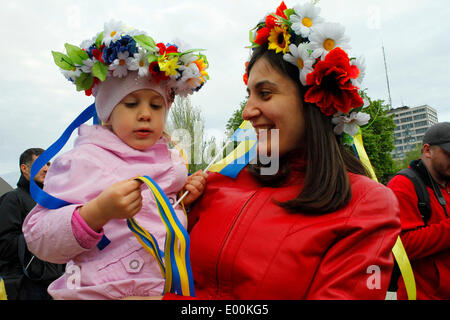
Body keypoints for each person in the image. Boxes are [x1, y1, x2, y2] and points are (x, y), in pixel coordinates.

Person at [160, 1, 401, 300]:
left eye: (265, 93)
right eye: (248, 95)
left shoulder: (366, 205)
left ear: (312, 98)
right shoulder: (216, 185)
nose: (247, 112)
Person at [22, 21, 208, 300]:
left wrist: (184, 203)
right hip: (98, 292)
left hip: (164, 290)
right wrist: (96, 212)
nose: (145, 114)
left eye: (156, 105)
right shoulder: (85, 160)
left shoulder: (170, 165)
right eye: (131, 104)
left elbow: (160, 226)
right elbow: (37, 236)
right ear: (107, 112)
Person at [387, 122, 450, 300]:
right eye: (449, 153)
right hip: (423, 294)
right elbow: (402, 246)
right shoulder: (403, 185)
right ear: (428, 150)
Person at [0, 148, 64, 300]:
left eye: (48, 163)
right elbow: (4, 245)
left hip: (54, 282)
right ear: (24, 169)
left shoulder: (51, 202)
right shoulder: (12, 199)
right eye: (41, 163)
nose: (47, 168)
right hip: (26, 285)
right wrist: (39, 234)